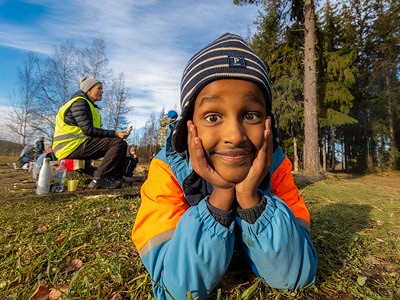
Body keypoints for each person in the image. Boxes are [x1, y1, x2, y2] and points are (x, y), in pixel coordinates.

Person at [131, 33, 318, 299]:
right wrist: (220, 196)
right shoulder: (167, 171)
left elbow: (294, 276)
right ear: (188, 125)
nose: (235, 135)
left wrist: (250, 198)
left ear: (268, 124)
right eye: (213, 116)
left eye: (250, 115)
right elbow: (176, 288)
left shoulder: (276, 167)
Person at [52, 77, 130, 189]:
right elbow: (88, 130)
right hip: (70, 145)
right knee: (118, 143)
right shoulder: (80, 103)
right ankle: (98, 179)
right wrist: (115, 134)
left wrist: (114, 135)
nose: (102, 91)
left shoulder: (87, 105)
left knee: (119, 143)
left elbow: (93, 133)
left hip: (75, 145)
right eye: (99, 88)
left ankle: (116, 178)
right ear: (88, 90)